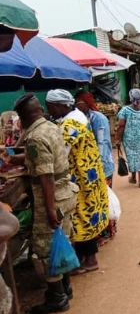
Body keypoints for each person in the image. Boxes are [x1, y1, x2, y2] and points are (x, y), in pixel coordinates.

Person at [1, 93, 78, 313]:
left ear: (24, 116)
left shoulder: (35, 137)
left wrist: (50, 209)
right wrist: (12, 157)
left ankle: (58, 298)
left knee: (45, 248)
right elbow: (40, 159)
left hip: (52, 198)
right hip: (66, 193)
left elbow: (46, 175)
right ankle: (65, 287)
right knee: (61, 241)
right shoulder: (51, 127)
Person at [46, 89, 109, 275]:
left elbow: (59, 155)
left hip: (81, 178)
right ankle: (83, 257)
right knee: (84, 217)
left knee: (82, 217)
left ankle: (90, 260)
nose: (49, 111)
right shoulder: (78, 116)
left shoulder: (70, 124)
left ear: (59, 105)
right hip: (88, 173)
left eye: (50, 107)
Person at [74, 91, 117, 246]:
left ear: (86, 102)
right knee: (96, 200)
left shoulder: (98, 118)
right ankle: (99, 231)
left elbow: (102, 143)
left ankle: (107, 232)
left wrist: (96, 164)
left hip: (102, 166)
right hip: (91, 166)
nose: (77, 106)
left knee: (103, 199)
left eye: (79, 103)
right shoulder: (82, 118)